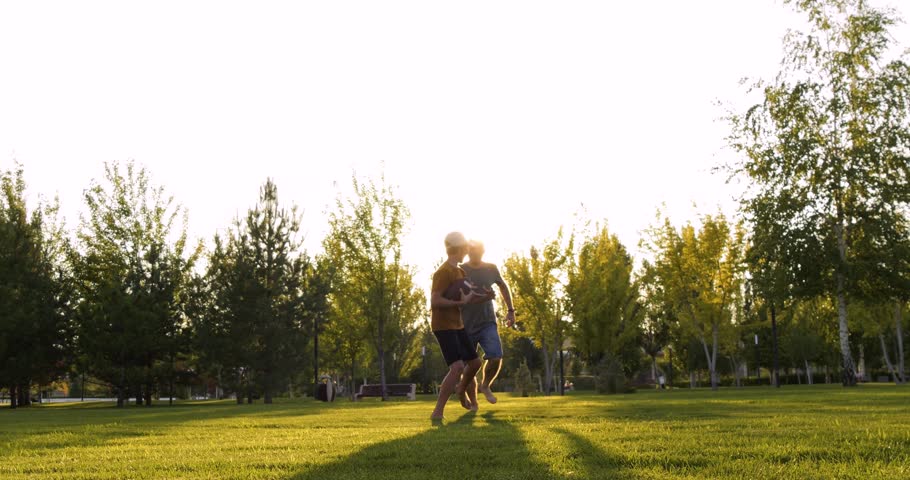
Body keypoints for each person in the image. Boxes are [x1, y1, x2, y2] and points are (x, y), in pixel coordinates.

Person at [429, 232, 484, 420]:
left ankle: (461, 390)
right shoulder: (443, 273)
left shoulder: (461, 272)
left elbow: (463, 297)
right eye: (466, 248)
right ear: (459, 249)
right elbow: (435, 301)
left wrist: (480, 296)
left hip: (457, 324)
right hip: (442, 325)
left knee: (475, 362)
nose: (468, 251)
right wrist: (457, 304)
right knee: (457, 367)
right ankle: (438, 412)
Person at [460, 240, 516, 407]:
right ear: (468, 252)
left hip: (487, 323)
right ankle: (474, 402)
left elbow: (503, 286)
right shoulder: (461, 269)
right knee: (468, 367)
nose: (474, 254)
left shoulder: (491, 268)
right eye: (471, 251)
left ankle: (485, 385)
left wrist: (511, 311)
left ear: (483, 252)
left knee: (496, 356)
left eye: (477, 251)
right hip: (464, 325)